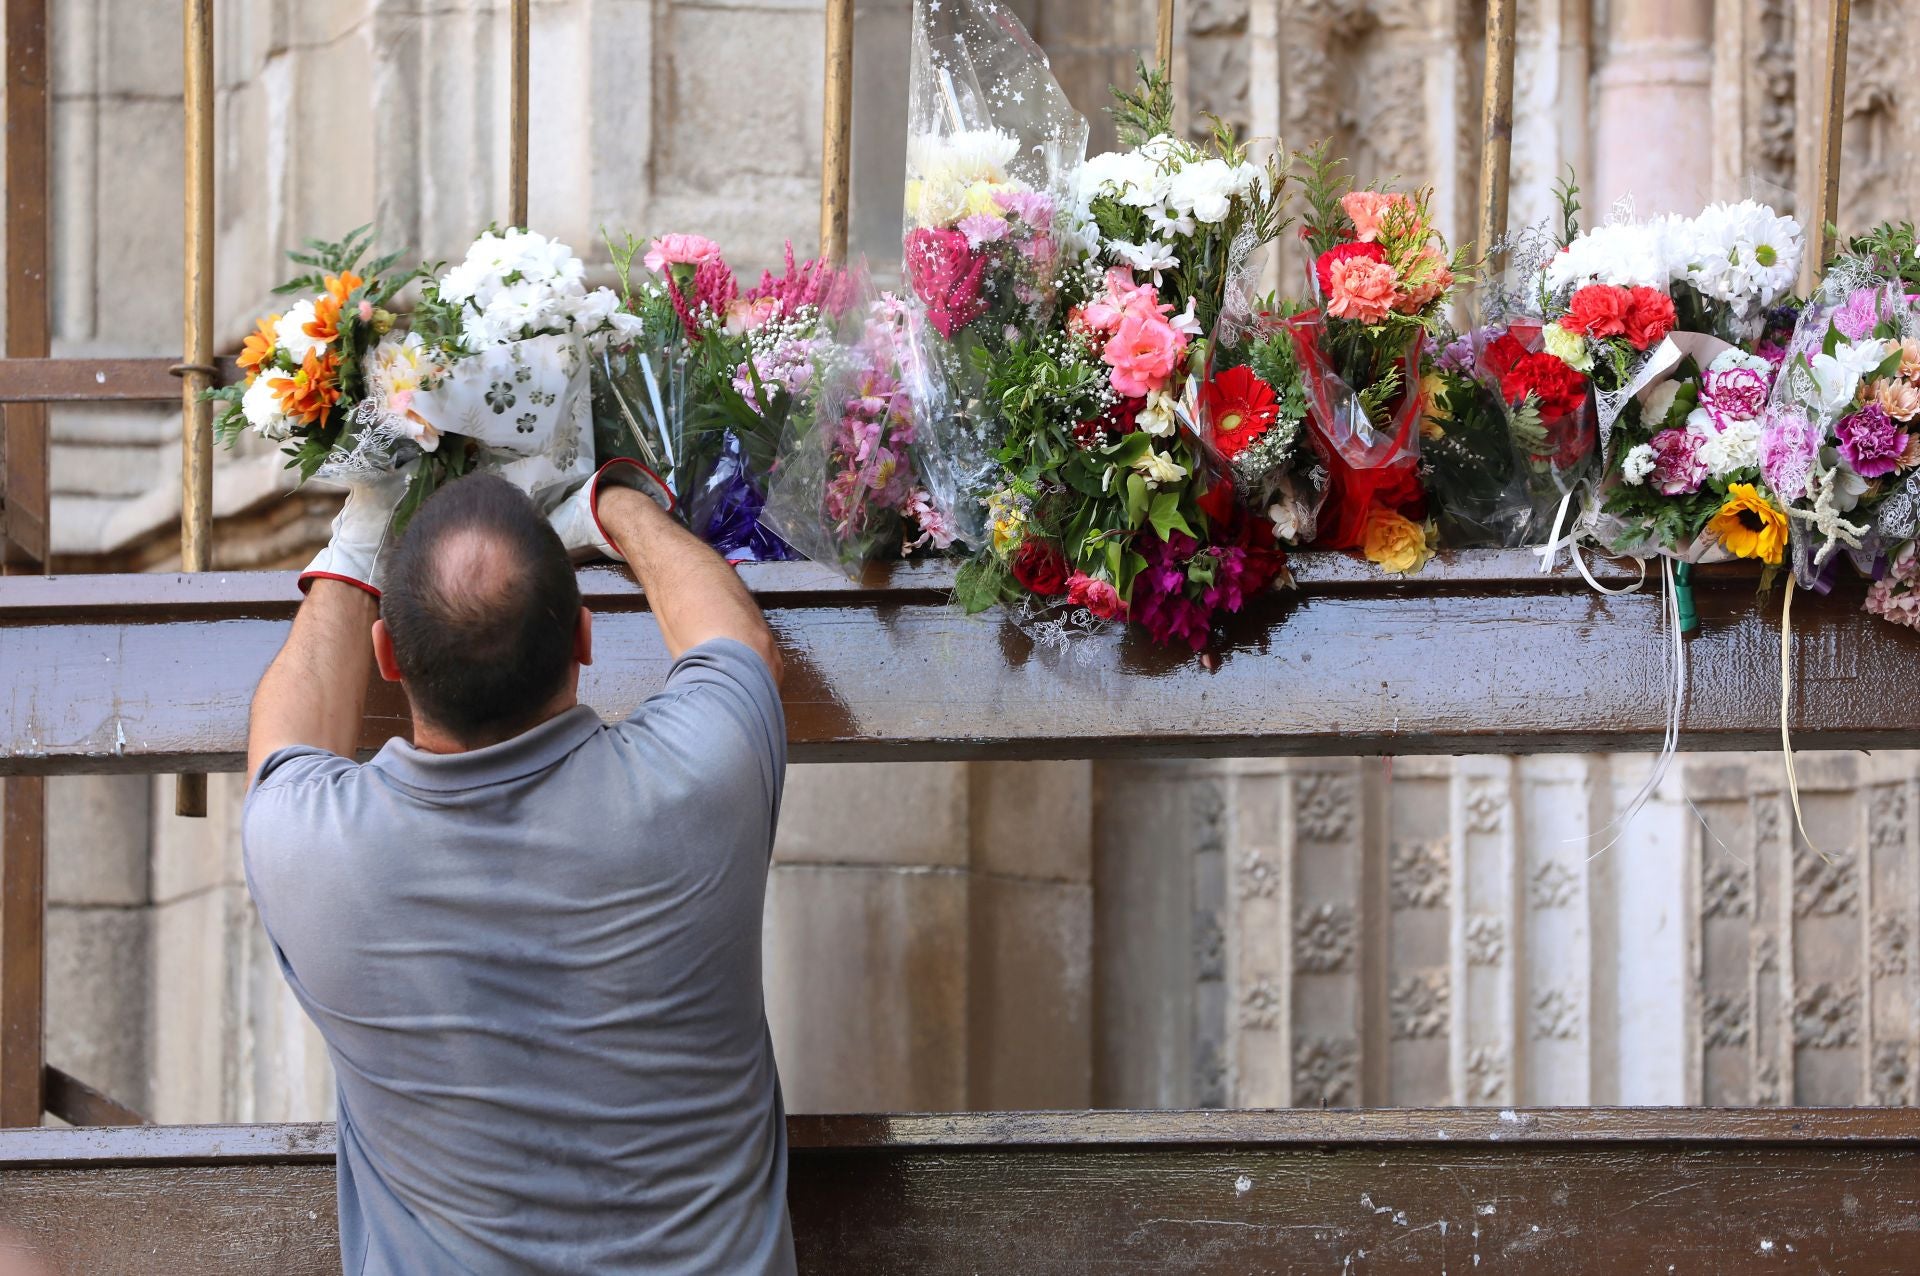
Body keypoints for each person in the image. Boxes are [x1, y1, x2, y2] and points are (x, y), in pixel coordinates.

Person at [240, 461, 793, 1275]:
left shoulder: (310, 848)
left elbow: (292, 725)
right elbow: (737, 644)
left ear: (387, 656)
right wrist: (615, 505)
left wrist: (362, 535)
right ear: (583, 635)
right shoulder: (696, 781)